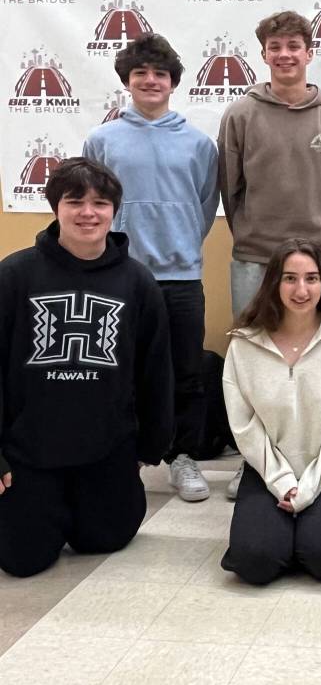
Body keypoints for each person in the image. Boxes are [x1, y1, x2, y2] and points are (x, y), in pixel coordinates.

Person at [0, 158, 173, 577]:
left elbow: (155, 371)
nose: (87, 213)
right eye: (74, 201)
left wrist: (150, 446)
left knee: (105, 538)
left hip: (105, 445)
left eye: (100, 203)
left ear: (115, 211)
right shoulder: (14, 275)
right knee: (23, 559)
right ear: (55, 207)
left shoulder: (137, 281)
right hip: (31, 448)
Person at [218, 10, 321, 498]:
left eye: (294, 46)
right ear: (264, 54)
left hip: (320, 260)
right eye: (275, 47)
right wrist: (258, 238)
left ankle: (318, 459)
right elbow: (230, 190)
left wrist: (311, 245)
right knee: (256, 362)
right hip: (255, 258)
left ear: (309, 52)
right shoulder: (240, 114)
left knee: (319, 362)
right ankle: (254, 463)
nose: (285, 55)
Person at [83, 33, 219, 502]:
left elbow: (205, 205)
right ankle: (122, 455)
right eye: (140, 73)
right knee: (120, 370)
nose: (150, 81)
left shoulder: (199, 143)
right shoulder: (103, 140)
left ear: (173, 82)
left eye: (160, 74)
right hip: (122, 276)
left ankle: (183, 458)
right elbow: (92, 204)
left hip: (182, 277)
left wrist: (181, 245)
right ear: (127, 81)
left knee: (187, 372)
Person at [220, 239, 321, 585]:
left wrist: (309, 489)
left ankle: (305, 536)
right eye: (289, 278)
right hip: (268, 470)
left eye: (311, 278)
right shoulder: (244, 343)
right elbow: (244, 425)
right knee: (254, 562)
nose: (301, 289)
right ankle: (284, 538)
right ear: (273, 282)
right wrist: (283, 482)